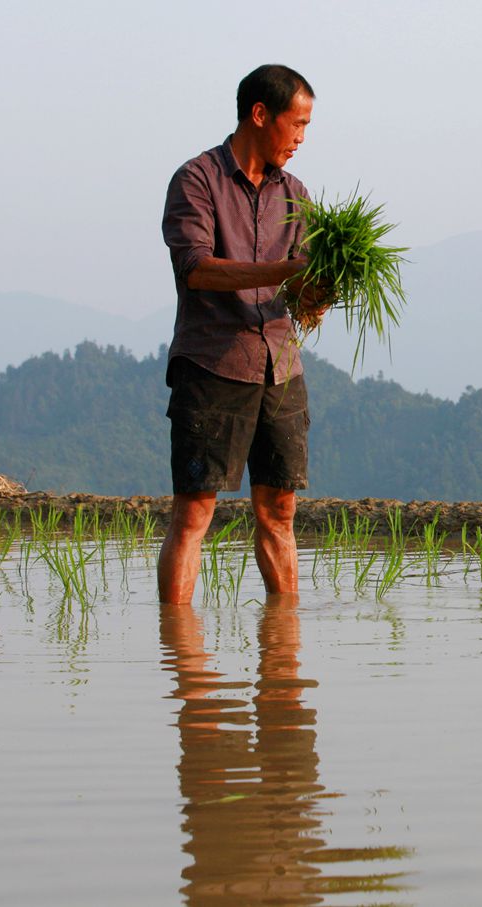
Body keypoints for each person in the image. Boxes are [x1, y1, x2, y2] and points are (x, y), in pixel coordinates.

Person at [158, 64, 319, 604]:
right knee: (195, 512)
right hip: (213, 366)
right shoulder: (196, 180)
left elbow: (298, 292)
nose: (301, 138)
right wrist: (283, 272)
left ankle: (283, 653)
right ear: (259, 115)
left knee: (280, 510)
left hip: (281, 365)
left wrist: (318, 292)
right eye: (295, 124)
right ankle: (181, 656)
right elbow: (197, 269)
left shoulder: (295, 193)